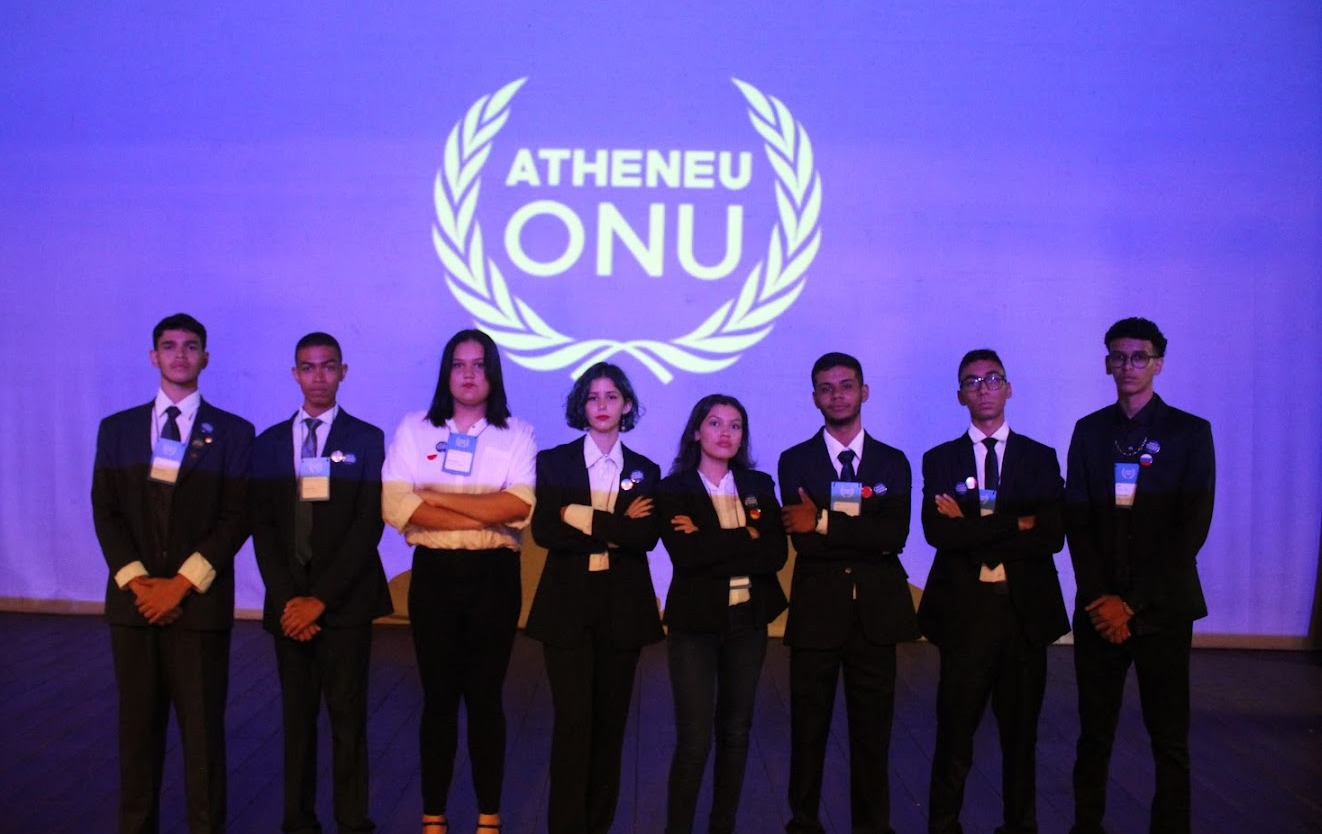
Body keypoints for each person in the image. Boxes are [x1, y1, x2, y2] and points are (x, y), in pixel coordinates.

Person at [92, 312, 253, 833]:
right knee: (137, 738)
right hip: (135, 608)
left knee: (203, 740)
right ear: (153, 356)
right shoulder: (117, 430)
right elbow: (106, 512)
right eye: (169, 345)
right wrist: (143, 586)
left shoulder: (234, 433)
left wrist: (180, 586)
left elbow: (237, 517)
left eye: (190, 346)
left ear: (205, 357)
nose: (179, 355)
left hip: (198, 608)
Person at [381, 329, 537, 834]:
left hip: (494, 578)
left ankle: (489, 815)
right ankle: (434, 815)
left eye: (479, 364)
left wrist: (435, 497)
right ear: (445, 373)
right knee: (438, 699)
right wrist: (482, 510)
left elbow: (519, 508)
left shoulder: (518, 433)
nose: (469, 374)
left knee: (487, 699)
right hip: (434, 576)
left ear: (493, 373)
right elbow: (396, 505)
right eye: (458, 364)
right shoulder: (415, 428)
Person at [1065, 318, 1215, 834]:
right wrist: (1103, 600)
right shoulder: (1090, 431)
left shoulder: (1190, 433)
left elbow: (1190, 530)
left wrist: (1130, 604)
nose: (1128, 366)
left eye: (1139, 357)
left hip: (1163, 609)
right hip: (1098, 610)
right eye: (1118, 356)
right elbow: (1078, 521)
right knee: (1094, 735)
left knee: (1169, 739)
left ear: (1158, 364)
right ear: (1107, 363)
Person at [916, 349, 1069, 834]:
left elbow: (1051, 535)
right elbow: (939, 534)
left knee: (1021, 739)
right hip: (965, 615)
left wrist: (972, 527)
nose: (983, 388)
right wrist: (1015, 523)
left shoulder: (1040, 457)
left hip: (1023, 615)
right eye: (972, 381)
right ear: (960, 395)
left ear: (1009, 388)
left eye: (992, 379)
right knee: (954, 735)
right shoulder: (940, 458)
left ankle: (1020, 827)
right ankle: (943, 827)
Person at [250, 332, 392, 833]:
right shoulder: (268, 443)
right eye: (308, 368)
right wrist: (291, 600)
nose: (318, 377)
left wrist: (320, 600)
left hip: (345, 604)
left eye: (328, 366)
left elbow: (367, 525)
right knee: (296, 721)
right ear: (295, 374)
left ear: (343, 372)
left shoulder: (366, 439)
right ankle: (298, 820)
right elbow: (263, 527)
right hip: (289, 607)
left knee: (348, 718)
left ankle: (352, 821)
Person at [778, 352, 919, 834]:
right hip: (817, 613)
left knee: (873, 735)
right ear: (814, 397)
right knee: (808, 731)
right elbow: (801, 541)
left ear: (864, 391)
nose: (836, 396)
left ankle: (873, 827)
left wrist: (820, 519)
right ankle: (803, 823)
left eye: (845, 386)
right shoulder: (795, 460)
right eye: (826, 388)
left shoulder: (892, 461)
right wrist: (859, 532)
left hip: (876, 616)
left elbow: (893, 535)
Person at [525, 362, 663, 834]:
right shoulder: (554, 462)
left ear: (627, 405)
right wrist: (616, 528)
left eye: (611, 396)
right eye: (592, 397)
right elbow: (546, 531)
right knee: (572, 727)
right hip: (566, 608)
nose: (602, 405)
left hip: (624, 611)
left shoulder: (645, 470)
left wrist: (580, 516)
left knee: (610, 728)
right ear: (580, 407)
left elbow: (644, 537)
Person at [656, 394, 788, 834]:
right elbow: (688, 556)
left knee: (735, 733)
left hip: (748, 621)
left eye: (735, 425)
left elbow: (774, 553)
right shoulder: (673, 489)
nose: (725, 433)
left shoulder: (758, 484)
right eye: (715, 423)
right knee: (694, 740)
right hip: (694, 626)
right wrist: (746, 534)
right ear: (697, 432)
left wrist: (709, 535)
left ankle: (722, 826)